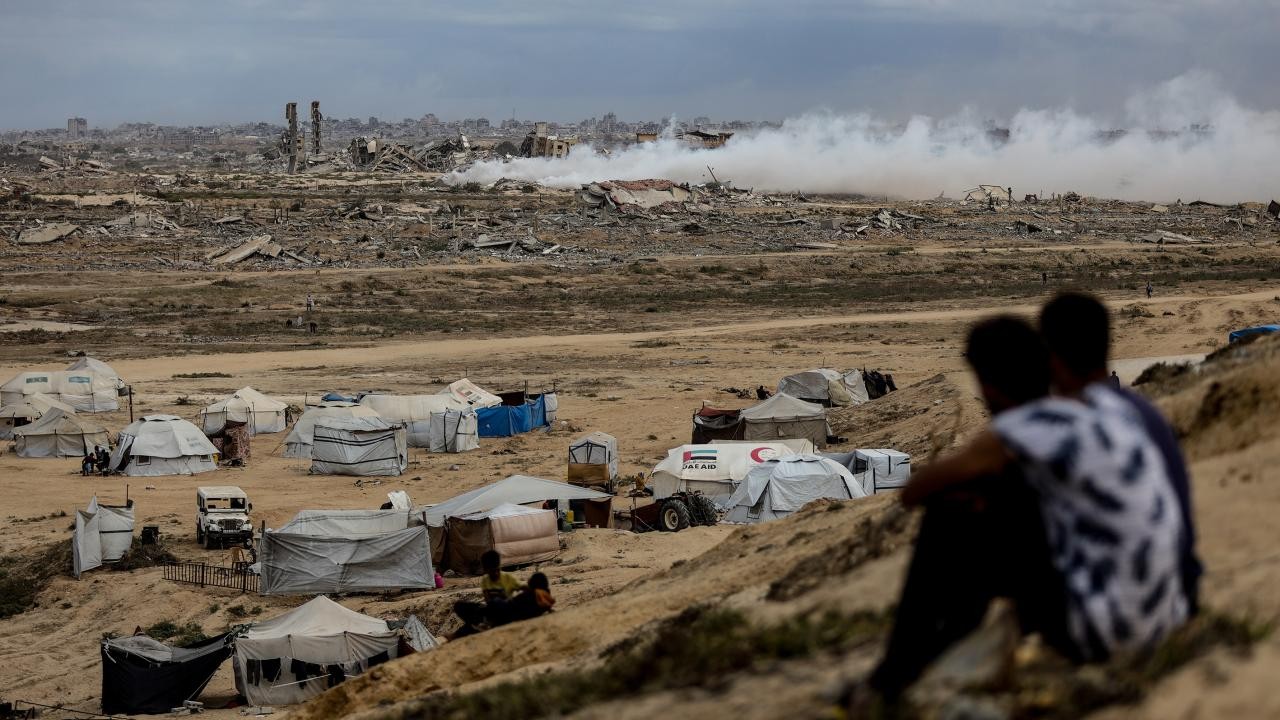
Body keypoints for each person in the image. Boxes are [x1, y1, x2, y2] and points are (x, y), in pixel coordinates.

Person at [865, 314, 1189, 703]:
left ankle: (895, 674)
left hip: (1105, 629)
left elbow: (913, 492)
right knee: (1002, 499)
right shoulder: (1097, 415)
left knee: (951, 512)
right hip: (1163, 615)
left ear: (988, 385)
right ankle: (945, 649)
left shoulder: (1026, 426)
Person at [1040, 292, 1201, 614]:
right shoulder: (1147, 414)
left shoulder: (1064, 423)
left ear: (1051, 357)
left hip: (1116, 615)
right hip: (1179, 597)